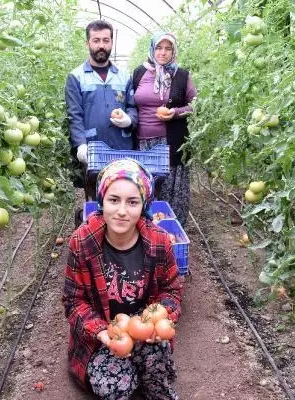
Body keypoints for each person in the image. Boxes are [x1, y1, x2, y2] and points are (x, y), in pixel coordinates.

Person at [62, 158, 182, 399]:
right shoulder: (82, 241)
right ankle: (132, 373)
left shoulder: (159, 241)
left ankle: (150, 381)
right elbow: (73, 302)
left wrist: (160, 319)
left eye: (133, 202)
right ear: (101, 201)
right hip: (105, 334)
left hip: (143, 328)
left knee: (156, 364)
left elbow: (172, 291)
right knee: (114, 388)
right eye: (113, 200)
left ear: (144, 205)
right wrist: (101, 332)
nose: (122, 211)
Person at [65, 20, 138, 202]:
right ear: (88, 43)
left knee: (121, 195)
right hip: (93, 149)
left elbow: (132, 107)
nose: (101, 45)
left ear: (111, 43)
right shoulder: (76, 77)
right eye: (96, 40)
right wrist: (80, 144)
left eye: (106, 40)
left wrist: (129, 120)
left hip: (121, 148)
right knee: (95, 198)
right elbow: (75, 115)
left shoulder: (123, 75)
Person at [132, 32, 197, 227]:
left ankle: (170, 233)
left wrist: (175, 113)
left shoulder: (182, 75)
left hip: (171, 142)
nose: (163, 53)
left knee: (170, 191)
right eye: (159, 48)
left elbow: (195, 105)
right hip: (144, 142)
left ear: (173, 51)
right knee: (145, 188)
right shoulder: (139, 73)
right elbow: (130, 103)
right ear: (152, 49)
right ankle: (144, 231)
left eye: (168, 49)